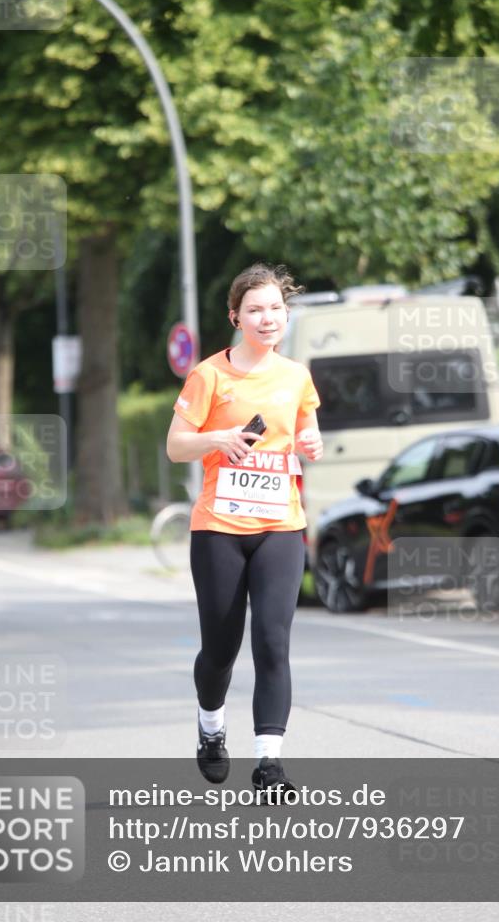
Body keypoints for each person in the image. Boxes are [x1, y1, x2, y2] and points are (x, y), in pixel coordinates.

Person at [166, 262, 323, 799]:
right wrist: (218, 438)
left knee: (273, 643)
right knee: (221, 647)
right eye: (255, 309)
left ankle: (269, 765)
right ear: (235, 316)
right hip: (219, 528)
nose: (267, 317)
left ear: (286, 313)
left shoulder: (297, 375)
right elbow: (175, 445)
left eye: (276, 307)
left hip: (281, 525)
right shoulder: (210, 375)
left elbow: (306, 428)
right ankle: (211, 730)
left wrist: (312, 445)